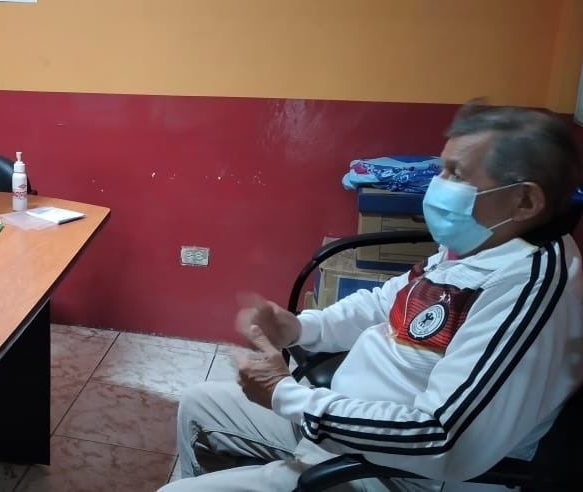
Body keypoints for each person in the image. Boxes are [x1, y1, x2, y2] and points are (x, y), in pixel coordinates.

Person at [161, 103, 583, 492]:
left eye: (456, 174)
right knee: (199, 404)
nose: (436, 184)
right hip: (346, 428)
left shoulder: (527, 287)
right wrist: (302, 328)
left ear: (525, 200)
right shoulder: (481, 245)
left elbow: (441, 438)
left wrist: (286, 395)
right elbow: (385, 303)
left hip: (395, 474)